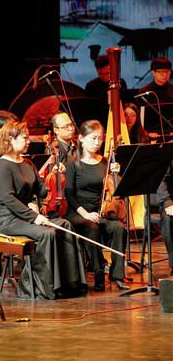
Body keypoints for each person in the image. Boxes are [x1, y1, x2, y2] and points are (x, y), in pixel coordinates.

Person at [0, 121, 87, 299]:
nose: (29, 141)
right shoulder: (2, 166)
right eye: (25, 138)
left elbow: (41, 190)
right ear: (10, 139)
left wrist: (55, 175)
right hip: (8, 220)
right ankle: (43, 288)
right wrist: (34, 217)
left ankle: (69, 284)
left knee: (65, 225)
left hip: (25, 216)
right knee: (46, 233)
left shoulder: (27, 163)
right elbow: (9, 199)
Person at [64, 120, 128, 291]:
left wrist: (116, 174)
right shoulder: (73, 163)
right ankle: (98, 271)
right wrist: (85, 214)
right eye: (93, 138)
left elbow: (114, 190)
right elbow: (69, 195)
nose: (97, 142)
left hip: (101, 212)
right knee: (92, 227)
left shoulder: (105, 162)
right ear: (81, 138)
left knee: (118, 228)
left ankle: (118, 276)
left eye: (100, 138)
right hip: (78, 212)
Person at [85, 54, 129, 124]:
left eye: (107, 73)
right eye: (101, 74)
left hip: (119, 120)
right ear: (96, 70)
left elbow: (125, 103)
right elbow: (89, 110)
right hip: (99, 122)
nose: (104, 77)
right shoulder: (91, 86)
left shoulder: (121, 83)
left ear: (112, 69)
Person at [156, 156, 173, 276]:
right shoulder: (169, 151)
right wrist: (168, 203)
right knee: (168, 219)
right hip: (170, 200)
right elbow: (160, 179)